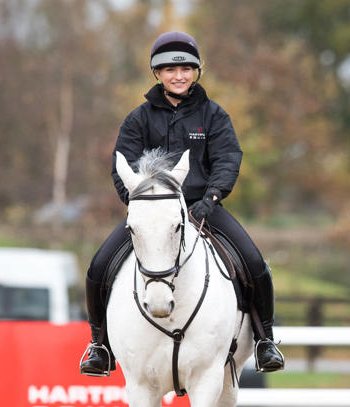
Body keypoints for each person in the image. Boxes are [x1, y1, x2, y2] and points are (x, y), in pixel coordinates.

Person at [80, 31, 284, 376]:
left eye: (186, 69)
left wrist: (212, 198)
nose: (179, 76)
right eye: (170, 70)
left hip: (203, 207)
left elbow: (227, 158)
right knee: (98, 268)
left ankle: (266, 340)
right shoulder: (138, 119)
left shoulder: (214, 115)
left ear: (196, 72)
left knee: (254, 263)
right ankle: (98, 345)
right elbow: (123, 165)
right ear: (157, 74)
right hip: (154, 212)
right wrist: (138, 204)